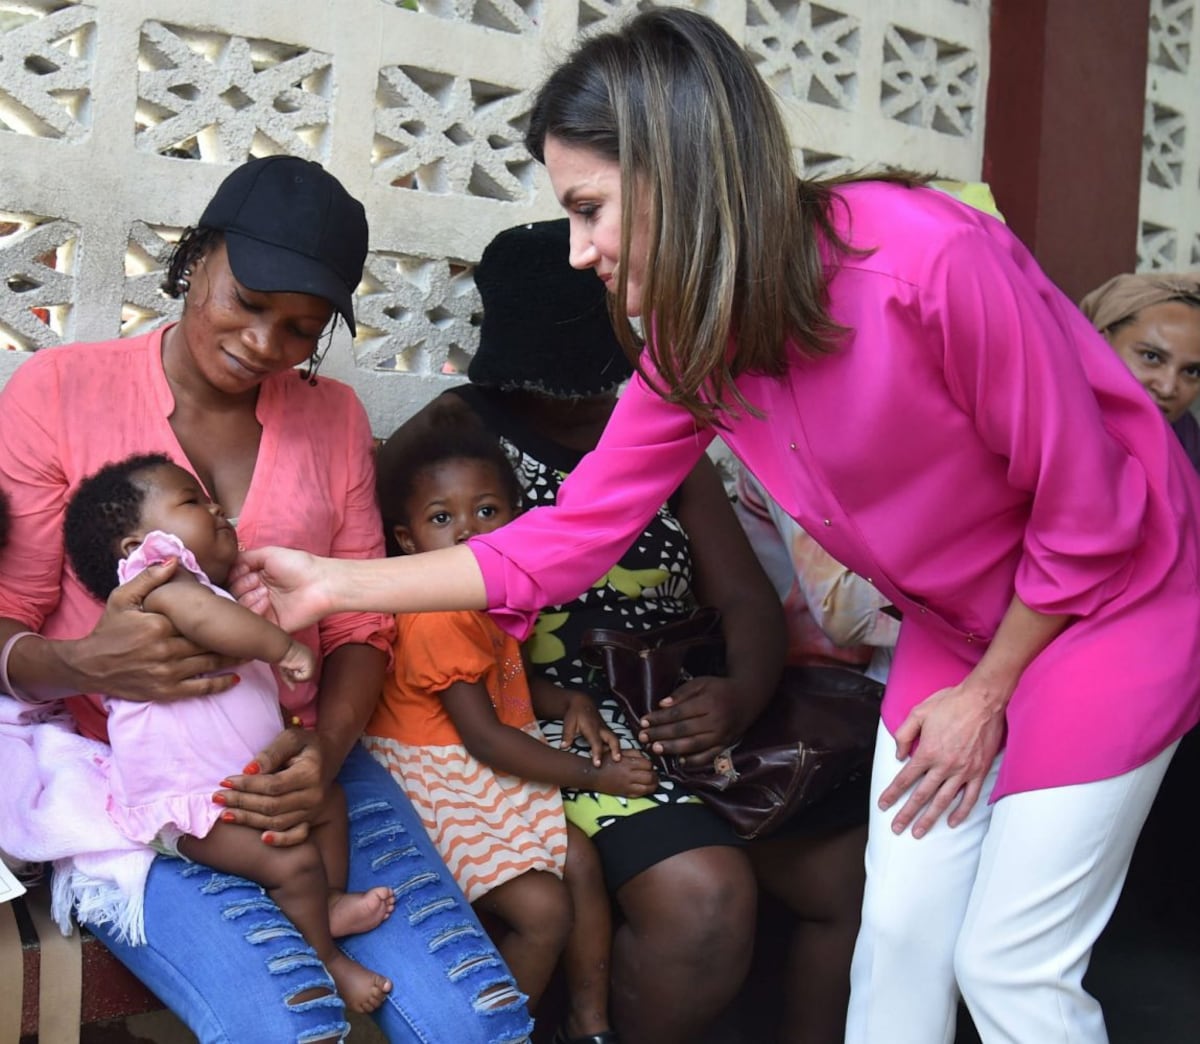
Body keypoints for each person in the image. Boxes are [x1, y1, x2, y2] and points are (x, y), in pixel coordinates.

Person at [234, 10, 1200, 1044]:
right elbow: (563, 542)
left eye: (591, 209)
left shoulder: (927, 260)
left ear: (677, 166)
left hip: (1107, 608)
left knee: (1008, 964)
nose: (580, 251)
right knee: (904, 937)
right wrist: (335, 585)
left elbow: (1091, 512)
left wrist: (989, 693)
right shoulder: (698, 349)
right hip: (960, 632)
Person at [0, 155, 532, 1044]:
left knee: (472, 1023)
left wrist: (321, 753)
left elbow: (363, 624)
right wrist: (83, 664)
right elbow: (9, 619)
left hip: (300, 768)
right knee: (285, 1023)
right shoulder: (60, 391)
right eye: (246, 302)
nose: (262, 343)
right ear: (196, 257)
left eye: (299, 328)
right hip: (134, 788)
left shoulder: (333, 420)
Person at [383, 219, 824, 1044]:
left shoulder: (656, 429)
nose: (574, 394)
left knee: (847, 874)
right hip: (552, 723)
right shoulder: (459, 435)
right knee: (705, 900)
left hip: (690, 708)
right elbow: (395, 590)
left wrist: (738, 693)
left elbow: (749, 602)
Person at [63, 453, 395, 1012]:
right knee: (293, 862)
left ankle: (327, 902)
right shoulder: (156, 584)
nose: (215, 507)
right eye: (191, 501)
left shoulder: (204, 593)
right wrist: (282, 645)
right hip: (190, 803)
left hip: (233, 787)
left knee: (330, 804)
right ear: (138, 546)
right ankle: (328, 959)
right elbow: (214, 624)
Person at [368, 414, 644, 1043]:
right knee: (543, 910)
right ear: (408, 543)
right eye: (443, 518)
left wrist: (564, 700)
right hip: (438, 776)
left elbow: (502, 683)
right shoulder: (436, 613)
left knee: (579, 859)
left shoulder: (486, 596)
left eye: (488, 510)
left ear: (519, 523)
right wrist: (598, 774)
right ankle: (492, 1036)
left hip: (480, 763)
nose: (468, 530)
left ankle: (589, 1025)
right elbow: (485, 736)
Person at [1078, 271, 1200, 472]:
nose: (1167, 388)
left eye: (1192, 371)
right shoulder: (1048, 430)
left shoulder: (1184, 439)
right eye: (1151, 357)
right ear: (1100, 343)